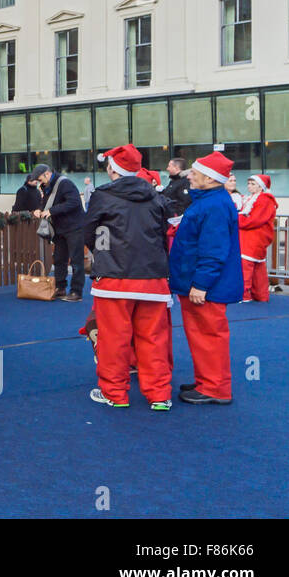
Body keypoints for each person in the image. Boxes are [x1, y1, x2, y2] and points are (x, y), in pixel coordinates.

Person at [83, 145, 174, 411]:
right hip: (153, 278)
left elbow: (90, 231)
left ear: (112, 168)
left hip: (113, 278)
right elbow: (164, 233)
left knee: (114, 338)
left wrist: (103, 253)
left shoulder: (102, 196)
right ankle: (159, 394)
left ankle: (115, 393)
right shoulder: (157, 196)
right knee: (154, 338)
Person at [168, 151, 242, 405]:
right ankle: (207, 380)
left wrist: (201, 284)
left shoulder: (214, 205)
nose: (190, 175)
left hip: (205, 286)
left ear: (210, 179)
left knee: (208, 336)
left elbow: (213, 250)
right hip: (201, 283)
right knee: (202, 336)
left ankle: (215, 388)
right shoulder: (211, 201)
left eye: (196, 173)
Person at [31, 163, 86, 302]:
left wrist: (52, 211)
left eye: (39, 179)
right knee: (59, 259)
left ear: (47, 174)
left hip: (74, 227)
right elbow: (45, 202)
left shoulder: (65, 184)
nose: (39, 182)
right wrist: (39, 209)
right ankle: (60, 288)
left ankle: (76, 291)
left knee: (76, 260)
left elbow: (74, 202)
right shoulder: (46, 186)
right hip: (60, 228)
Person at [238, 174, 277, 302]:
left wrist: (237, 219)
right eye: (249, 183)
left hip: (254, 237)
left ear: (261, 187)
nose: (249, 186)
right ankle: (260, 295)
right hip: (253, 236)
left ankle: (245, 294)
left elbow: (254, 220)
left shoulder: (264, 200)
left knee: (246, 266)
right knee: (258, 268)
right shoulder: (253, 198)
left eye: (253, 184)